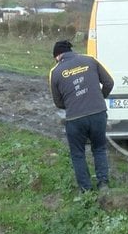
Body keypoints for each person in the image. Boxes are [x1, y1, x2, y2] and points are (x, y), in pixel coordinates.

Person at [48, 40, 115, 192]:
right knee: (99, 149)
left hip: (75, 119)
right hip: (98, 114)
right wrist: (98, 99)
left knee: (78, 154)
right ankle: (103, 184)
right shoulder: (90, 60)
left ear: (58, 56)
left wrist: (74, 104)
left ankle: (85, 190)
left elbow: (58, 102)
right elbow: (109, 82)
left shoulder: (55, 72)